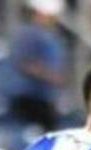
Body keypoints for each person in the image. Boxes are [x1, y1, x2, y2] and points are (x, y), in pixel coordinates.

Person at [10, 0, 67, 132]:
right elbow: (25, 63)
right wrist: (51, 76)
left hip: (45, 98)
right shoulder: (29, 33)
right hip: (30, 97)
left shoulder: (51, 36)